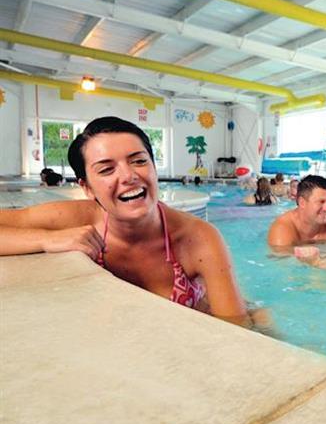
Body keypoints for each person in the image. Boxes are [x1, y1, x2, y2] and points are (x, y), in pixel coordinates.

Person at [0, 116, 249, 326]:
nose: (129, 176)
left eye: (139, 161)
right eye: (107, 169)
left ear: (154, 169)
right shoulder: (76, 218)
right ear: (87, 187)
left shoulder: (197, 238)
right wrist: (47, 239)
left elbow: (238, 330)